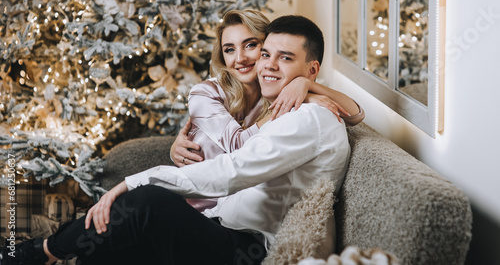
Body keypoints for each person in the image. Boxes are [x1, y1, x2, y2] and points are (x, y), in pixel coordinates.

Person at [0, 15, 352, 265]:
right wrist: (306, 85)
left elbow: (232, 170)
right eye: (266, 54)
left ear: (311, 69)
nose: (267, 65)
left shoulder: (308, 116)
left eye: (285, 58)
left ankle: (39, 252)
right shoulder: (283, 104)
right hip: (221, 227)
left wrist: (132, 181)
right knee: (115, 249)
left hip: (252, 249)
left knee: (149, 200)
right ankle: (45, 251)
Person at [168, 10, 363, 212]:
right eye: (229, 50)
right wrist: (302, 98)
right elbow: (238, 147)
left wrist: (306, 85)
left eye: (251, 45)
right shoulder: (205, 93)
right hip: (196, 208)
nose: (240, 58)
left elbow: (355, 115)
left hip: (234, 213)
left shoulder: (276, 88)